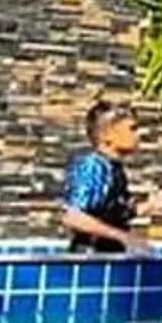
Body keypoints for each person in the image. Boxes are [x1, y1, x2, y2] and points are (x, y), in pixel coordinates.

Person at [61, 101, 146, 254]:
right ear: (107, 136)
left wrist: (149, 206)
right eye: (132, 129)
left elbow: (110, 215)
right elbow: (73, 217)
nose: (138, 135)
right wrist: (121, 236)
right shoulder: (94, 166)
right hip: (89, 262)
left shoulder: (114, 168)